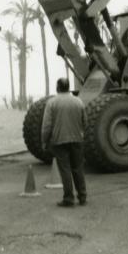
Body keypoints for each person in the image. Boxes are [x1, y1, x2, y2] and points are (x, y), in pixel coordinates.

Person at [41, 77, 87, 207]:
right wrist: (81, 133)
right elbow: (85, 121)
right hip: (77, 140)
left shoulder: (52, 103)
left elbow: (47, 125)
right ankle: (82, 196)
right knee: (78, 168)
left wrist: (44, 141)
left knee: (65, 170)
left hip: (59, 141)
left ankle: (68, 198)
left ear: (58, 87)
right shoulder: (78, 101)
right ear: (68, 87)